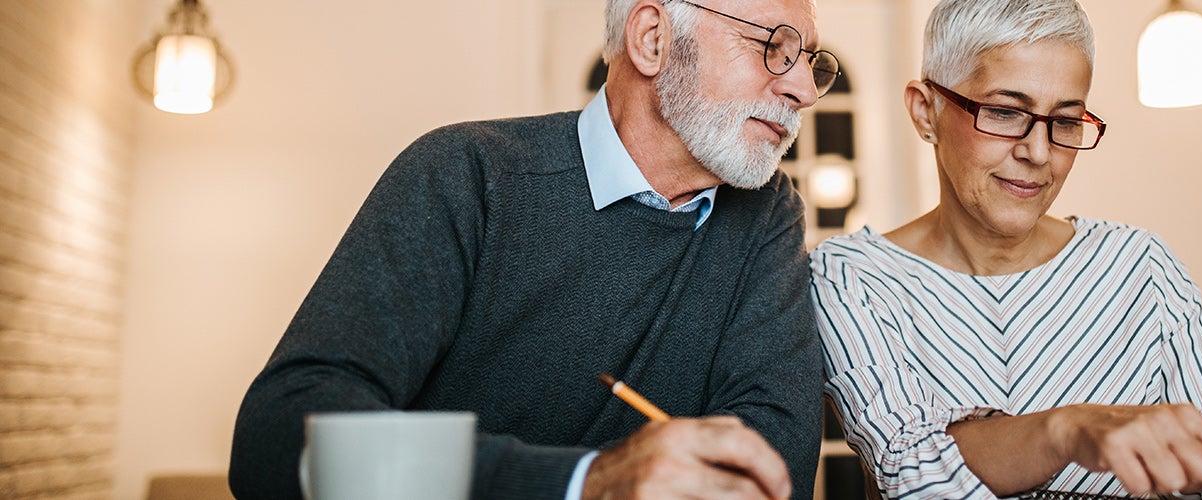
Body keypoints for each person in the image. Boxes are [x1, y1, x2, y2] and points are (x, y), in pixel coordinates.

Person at [808, 0, 1202, 498]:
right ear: (926, 111)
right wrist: (1068, 429)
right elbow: (914, 475)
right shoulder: (851, 279)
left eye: (1067, 120)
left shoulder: (1142, 269)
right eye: (1005, 111)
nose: (1038, 150)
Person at [229, 0, 842, 498]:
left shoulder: (765, 213)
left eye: (809, 60)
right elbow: (280, 436)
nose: (803, 91)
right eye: (773, 46)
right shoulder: (466, 175)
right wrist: (585, 484)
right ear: (652, 38)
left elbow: (768, 471)